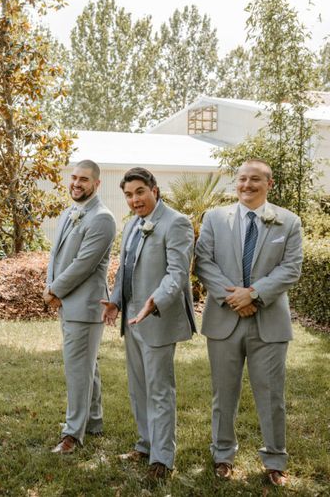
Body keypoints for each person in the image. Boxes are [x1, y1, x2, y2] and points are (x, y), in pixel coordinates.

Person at [194, 159, 302, 486]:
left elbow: (291, 268)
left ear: (270, 184)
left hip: (269, 320)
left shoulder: (289, 222)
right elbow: (204, 263)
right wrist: (234, 298)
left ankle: (274, 460)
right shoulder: (214, 218)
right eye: (242, 179)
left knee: (271, 395)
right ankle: (223, 455)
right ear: (235, 182)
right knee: (223, 393)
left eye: (255, 179)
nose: (247, 185)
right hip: (224, 318)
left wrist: (253, 294)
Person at [101, 167, 195, 482]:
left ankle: (162, 459)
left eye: (139, 191)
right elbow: (125, 268)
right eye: (128, 195)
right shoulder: (132, 226)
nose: (134, 199)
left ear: (154, 189)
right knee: (138, 388)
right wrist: (115, 300)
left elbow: (178, 273)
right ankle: (145, 443)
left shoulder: (177, 222)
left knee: (159, 391)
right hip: (132, 320)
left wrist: (155, 301)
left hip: (157, 318)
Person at [44, 160, 116, 454]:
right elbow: (56, 256)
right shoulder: (69, 213)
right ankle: (94, 421)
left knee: (78, 370)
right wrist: (51, 285)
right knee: (88, 366)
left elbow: (83, 264)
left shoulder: (102, 218)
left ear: (97, 184)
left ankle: (72, 434)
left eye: (84, 179)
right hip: (68, 302)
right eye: (73, 177)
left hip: (85, 305)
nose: (76, 183)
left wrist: (54, 291)